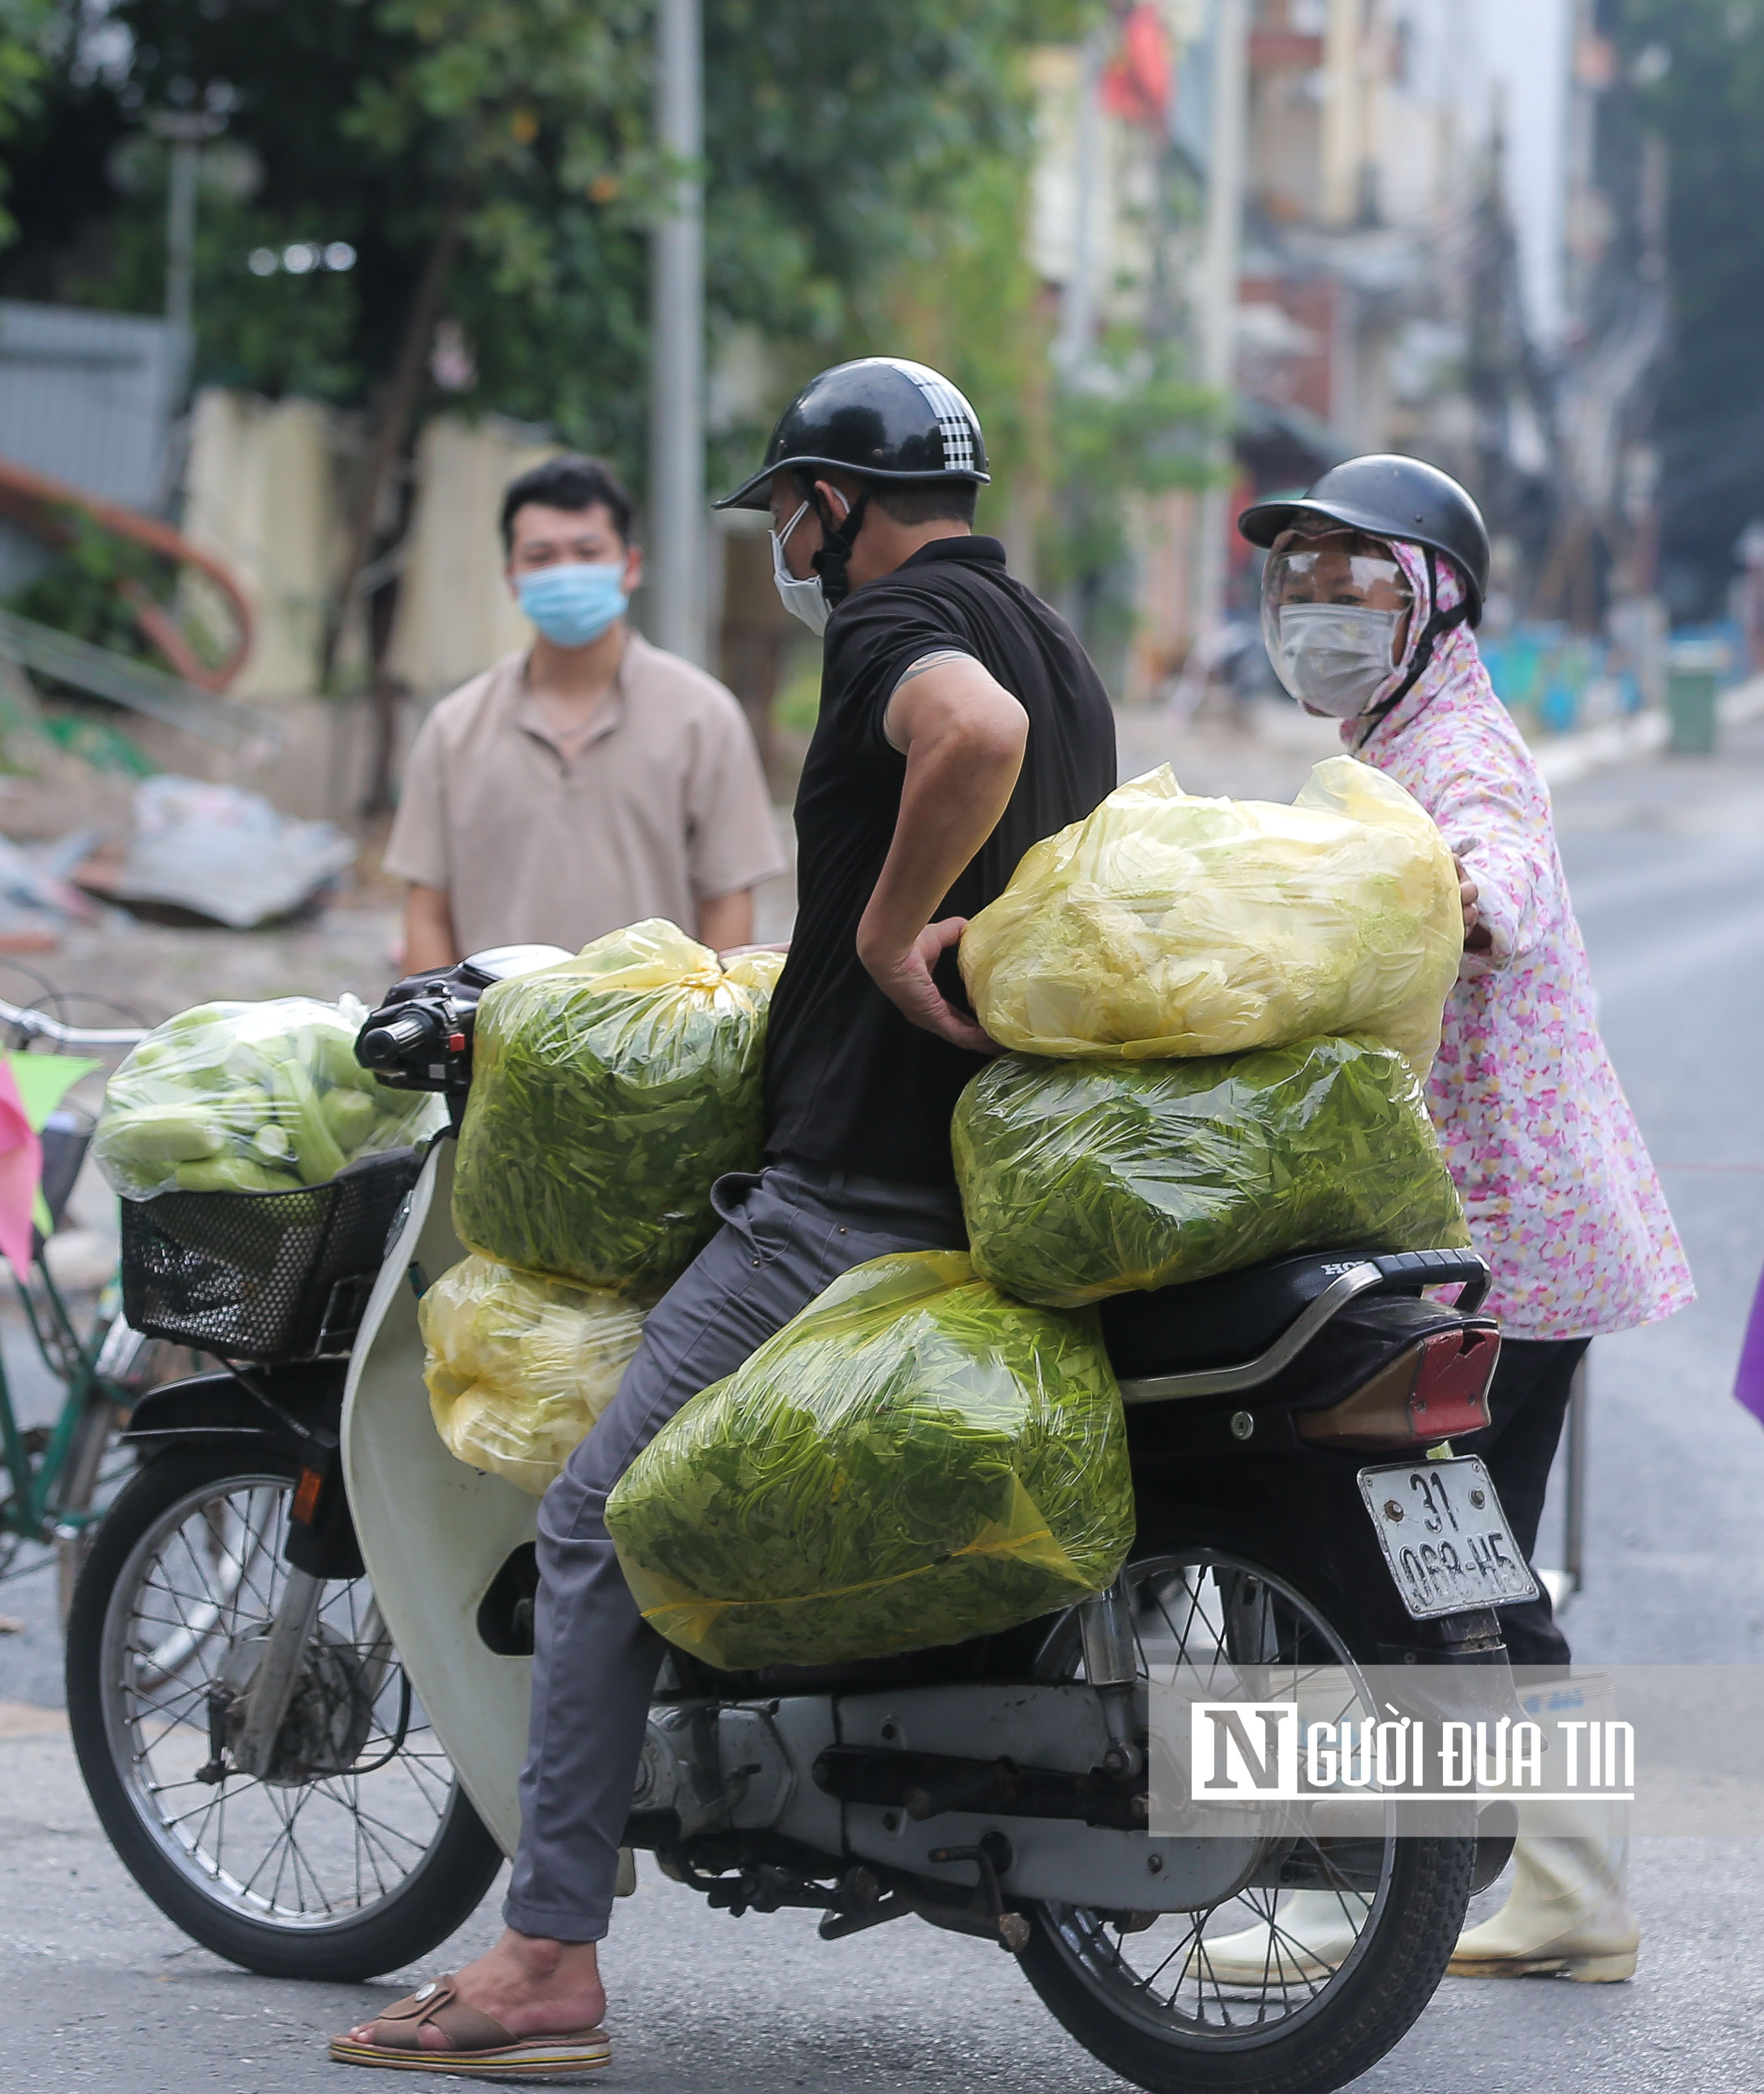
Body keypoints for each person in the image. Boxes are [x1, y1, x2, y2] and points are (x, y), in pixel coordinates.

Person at [333, 360, 1117, 2074]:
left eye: (790, 510)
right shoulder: (1054, 642)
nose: (786, 542)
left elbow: (958, 741)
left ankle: (545, 1951)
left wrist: (882, 934)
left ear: (837, 502)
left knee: (593, 1519)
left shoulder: (899, 626)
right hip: (986, 1182)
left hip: (847, 1192)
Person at [1190, 454, 1691, 1987]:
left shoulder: (1454, 741)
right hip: (1499, 1234)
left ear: (1432, 595)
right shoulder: (1385, 734)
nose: (1323, 599)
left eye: (1359, 570)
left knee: (1405, 1553)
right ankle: (1551, 1881)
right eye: (1302, 572)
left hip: (1502, 1244)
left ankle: (1382, 1883)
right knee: (1473, 1564)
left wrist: (1450, 897)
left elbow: (1505, 871)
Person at [385, 454, 784, 968]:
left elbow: (727, 900)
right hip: (495, 1037)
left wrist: (699, 1034)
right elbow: (426, 911)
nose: (565, 573)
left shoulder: (702, 718)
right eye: (540, 557)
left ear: (630, 567)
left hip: (652, 1039)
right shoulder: (454, 728)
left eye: (587, 551)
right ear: (511, 577)